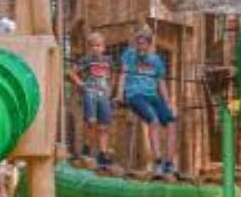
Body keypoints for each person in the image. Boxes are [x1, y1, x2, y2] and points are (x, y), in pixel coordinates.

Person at [114, 26, 178, 177]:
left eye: (143, 43)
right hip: (135, 95)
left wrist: (168, 102)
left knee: (172, 123)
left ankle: (168, 163)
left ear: (149, 44)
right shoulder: (129, 55)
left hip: (153, 96)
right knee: (153, 120)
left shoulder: (156, 60)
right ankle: (157, 161)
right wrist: (119, 94)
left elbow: (161, 82)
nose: (139, 46)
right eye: (138, 43)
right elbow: (123, 74)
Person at [69, 31, 114, 168]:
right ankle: (87, 148)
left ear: (103, 47)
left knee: (104, 126)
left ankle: (103, 153)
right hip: (90, 93)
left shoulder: (108, 61)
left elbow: (113, 75)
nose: (96, 48)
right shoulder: (86, 60)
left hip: (103, 95)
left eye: (98, 45)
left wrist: (111, 89)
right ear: (89, 48)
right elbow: (71, 72)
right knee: (91, 122)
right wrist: (80, 84)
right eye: (93, 46)